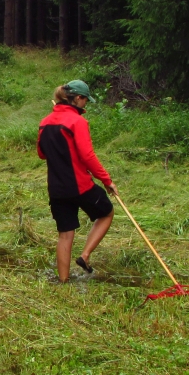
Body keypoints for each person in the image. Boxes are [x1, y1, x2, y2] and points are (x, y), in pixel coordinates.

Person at [37, 81, 117, 283]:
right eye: (85, 100)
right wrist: (107, 181)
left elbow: (41, 153)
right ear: (78, 98)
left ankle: (63, 281)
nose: (85, 105)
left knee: (65, 234)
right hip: (80, 185)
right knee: (106, 212)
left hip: (56, 188)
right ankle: (85, 255)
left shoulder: (45, 122)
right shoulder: (77, 122)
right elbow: (88, 156)